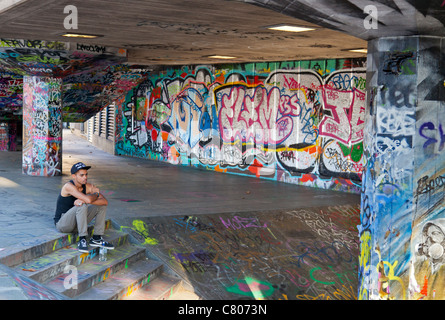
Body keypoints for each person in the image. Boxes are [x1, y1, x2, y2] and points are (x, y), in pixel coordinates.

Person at [54, 162, 114, 253]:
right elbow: (88, 200)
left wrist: (89, 198)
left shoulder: (88, 186)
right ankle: (82, 239)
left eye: (86, 175)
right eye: (81, 175)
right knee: (82, 204)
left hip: (77, 223)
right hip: (63, 224)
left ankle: (96, 238)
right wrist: (95, 195)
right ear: (74, 176)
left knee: (100, 206)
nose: (85, 177)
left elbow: (105, 201)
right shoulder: (68, 186)